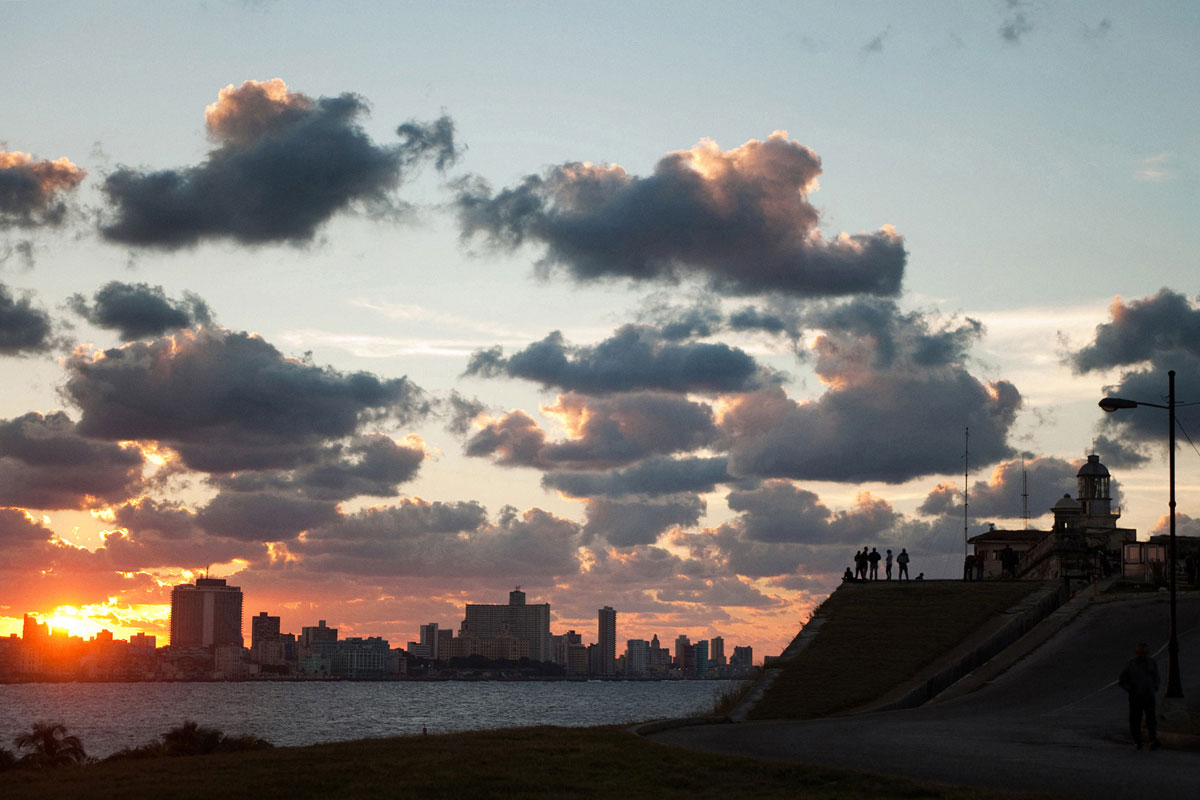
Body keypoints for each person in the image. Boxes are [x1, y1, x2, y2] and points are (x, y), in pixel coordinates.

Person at [1118, 642, 1160, 750]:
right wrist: (1130, 689)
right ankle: (1137, 741)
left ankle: (1152, 740)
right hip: (1136, 697)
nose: (1142, 655)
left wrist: (1154, 687)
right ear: (1136, 653)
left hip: (1149, 695)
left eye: (1145, 653)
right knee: (1135, 719)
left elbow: (1156, 676)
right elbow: (1122, 680)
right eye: (1140, 653)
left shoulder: (1152, 662)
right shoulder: (1130, 664)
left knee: (1151, 719)